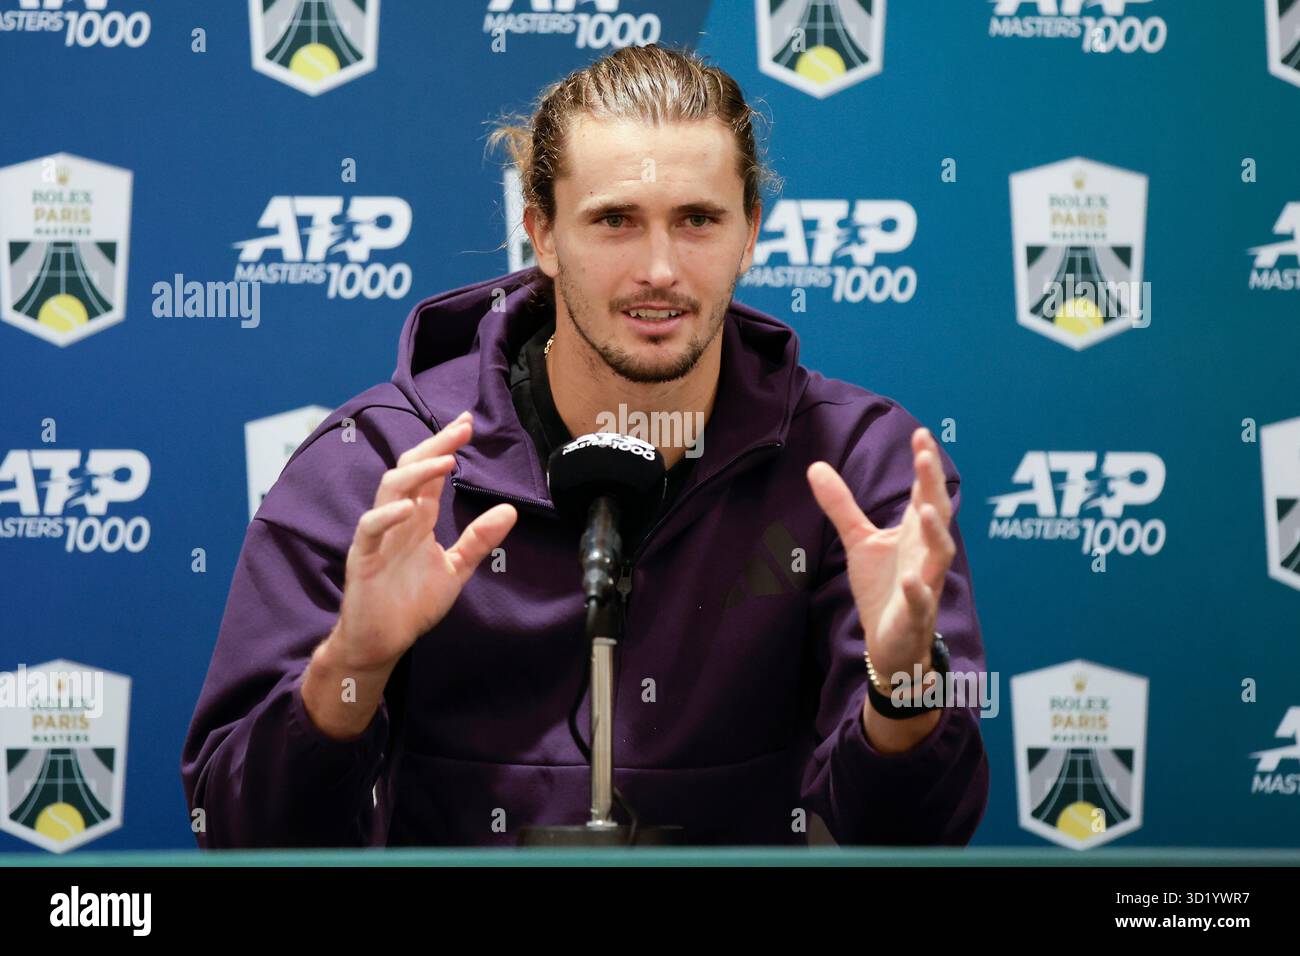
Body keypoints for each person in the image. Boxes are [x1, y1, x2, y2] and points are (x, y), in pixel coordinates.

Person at [181, 44, 989, 848]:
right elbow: (236, 832)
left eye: (699, 220)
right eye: (614, 221)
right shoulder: (378, 466)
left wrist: (903, 690)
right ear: (541, 234)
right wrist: (350, 666)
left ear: (750, 234)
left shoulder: (860, 468)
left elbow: (920, 838)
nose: (660, 270)